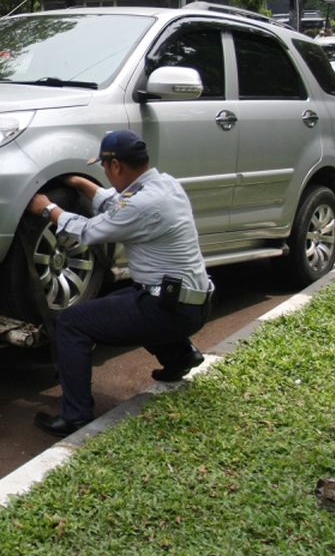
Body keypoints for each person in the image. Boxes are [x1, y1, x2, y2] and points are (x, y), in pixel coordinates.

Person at [25, 130, 213, 437]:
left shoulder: (142, 205)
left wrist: (47, 208)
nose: (105, 174)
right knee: (130, 296)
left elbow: (88, 231)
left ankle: (75, 416)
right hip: (194, 303)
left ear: (115, 166)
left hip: (167, 309)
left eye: (104, 167)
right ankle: (181, 356)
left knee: (71, 323)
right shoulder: (166, 185)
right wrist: (78, 182)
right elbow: (118, 203)